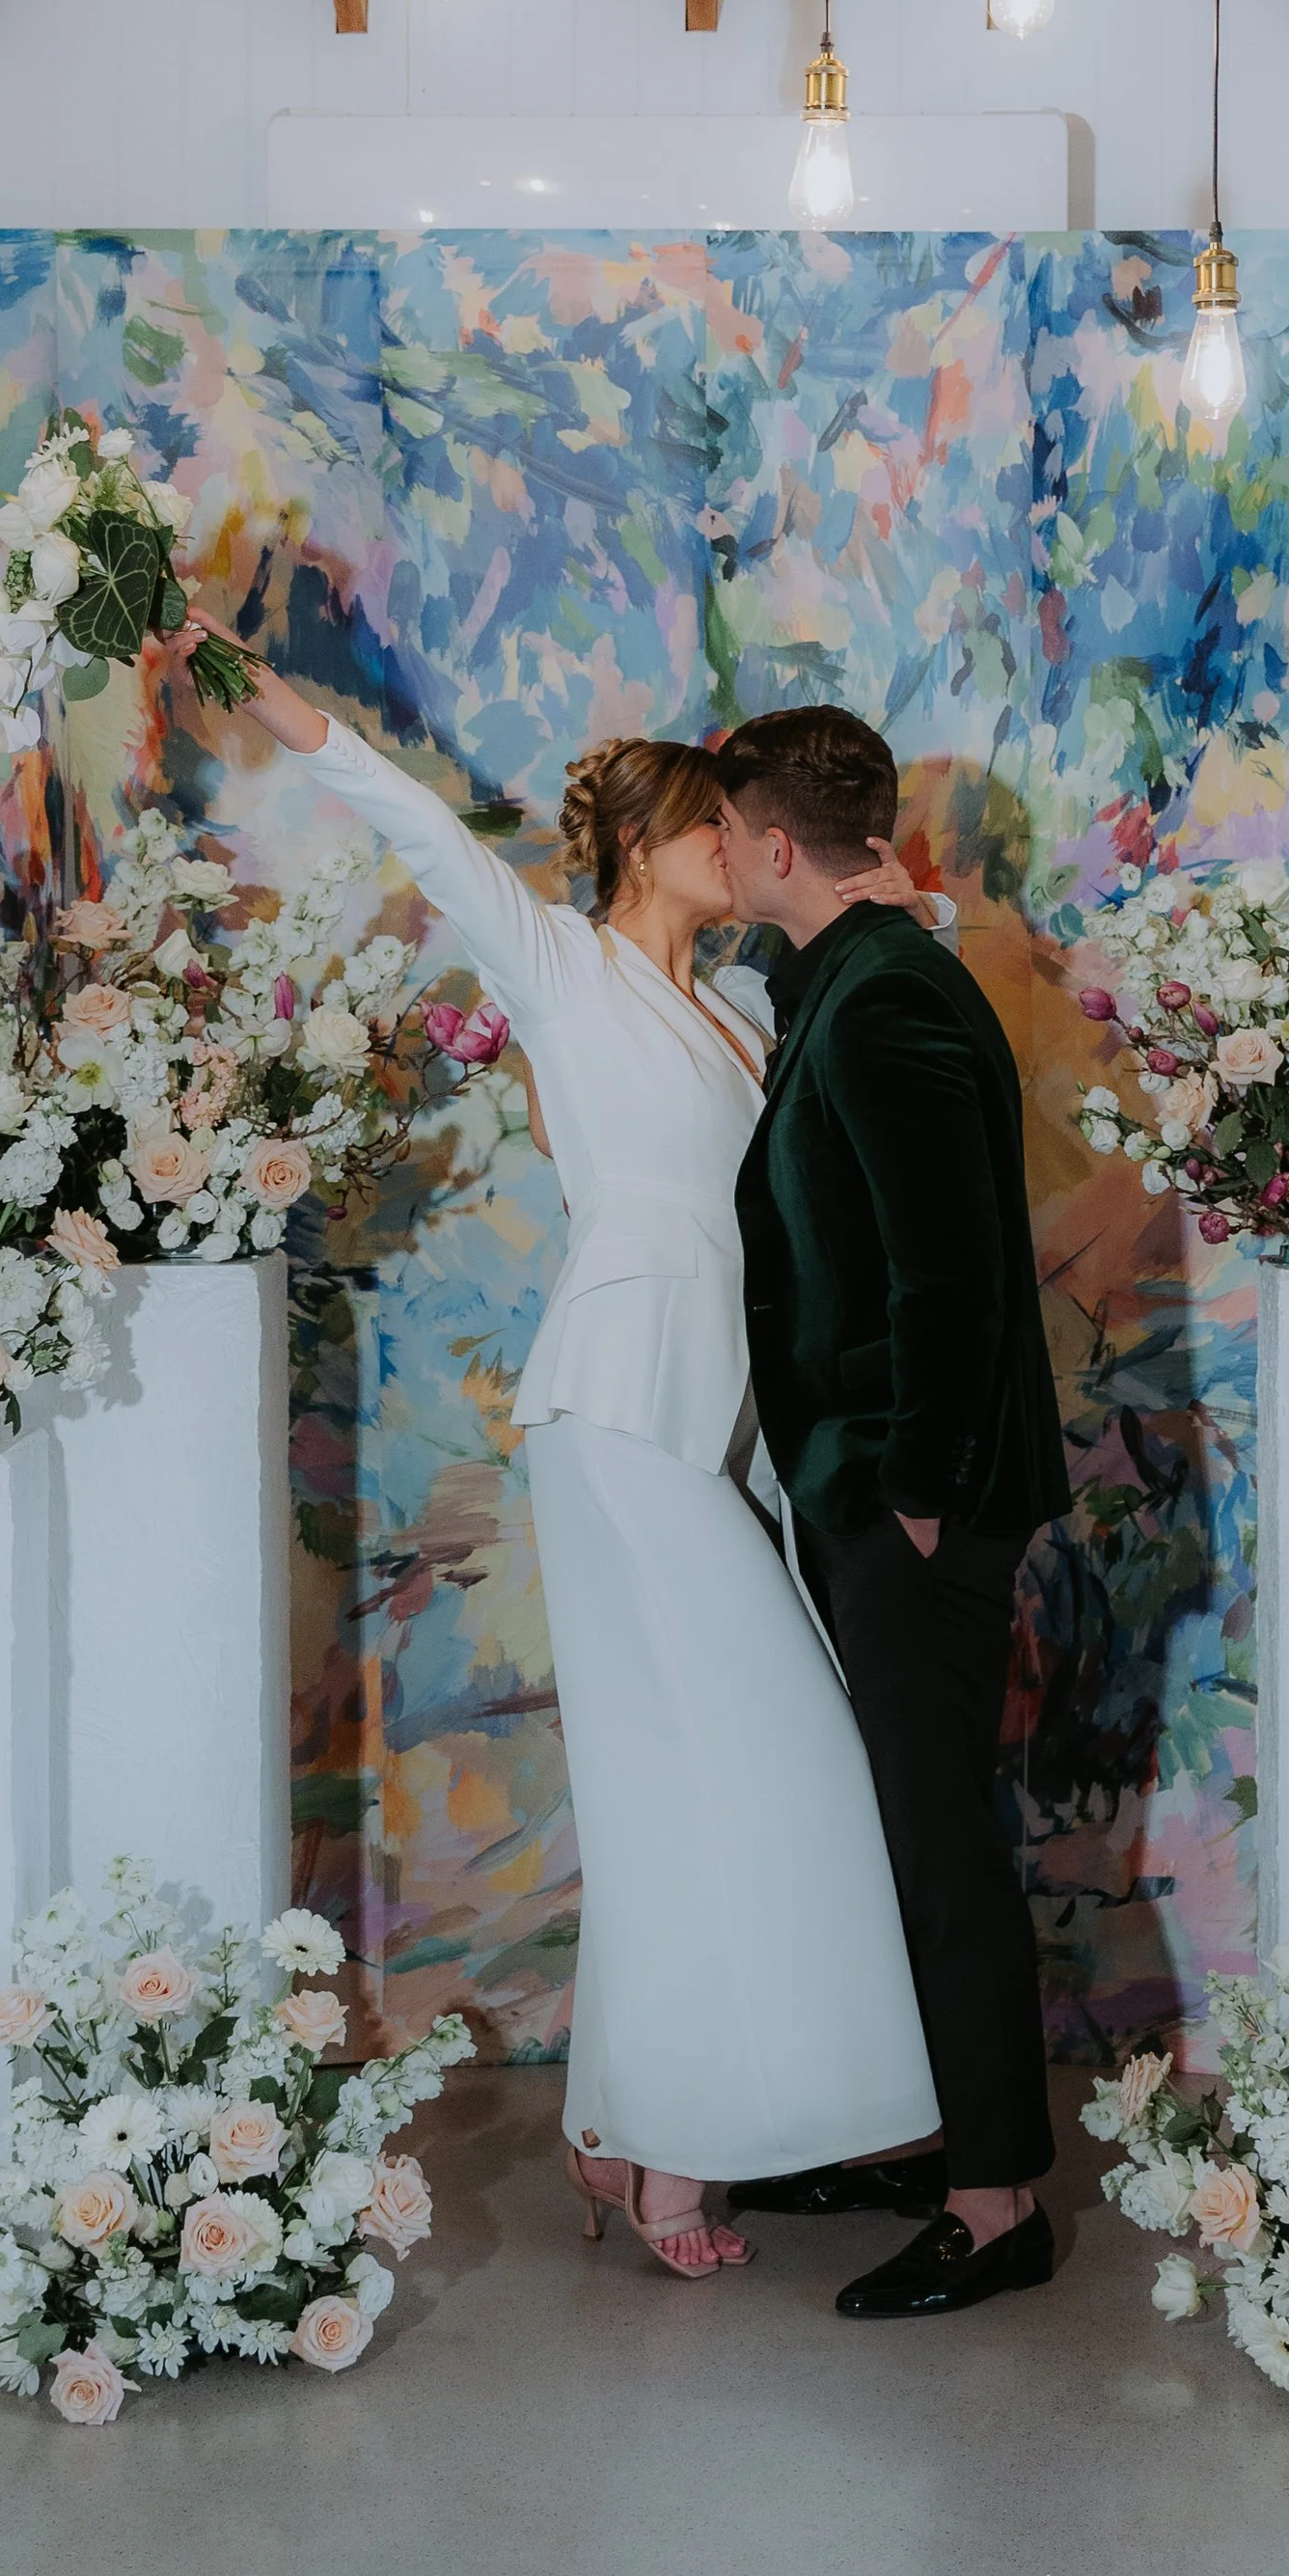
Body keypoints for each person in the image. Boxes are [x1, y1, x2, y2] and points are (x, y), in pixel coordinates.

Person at [163, 623, 945, 2278]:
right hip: (613, 1406)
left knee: (739, 1775)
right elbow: (407, 817)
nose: (741, 843)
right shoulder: (556, 962)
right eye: (713, 823)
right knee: (707, 1780)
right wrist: (250, 681)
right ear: (658, 843)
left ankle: (641, 2129)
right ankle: (667, 2155)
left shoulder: (747, 1007)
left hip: (728, 1424)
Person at [716, 706, 1071, 2320]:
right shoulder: (848, 983)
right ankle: (934, 2135)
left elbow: (954, 1276)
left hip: (916, 1494)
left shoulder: (886, 1002)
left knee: (941, 1848)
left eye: (727, 835)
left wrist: (920, 1492)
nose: (717, 859)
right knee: (898, 1835)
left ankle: (996, 2204)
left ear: (777, 846)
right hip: (867, 1476)